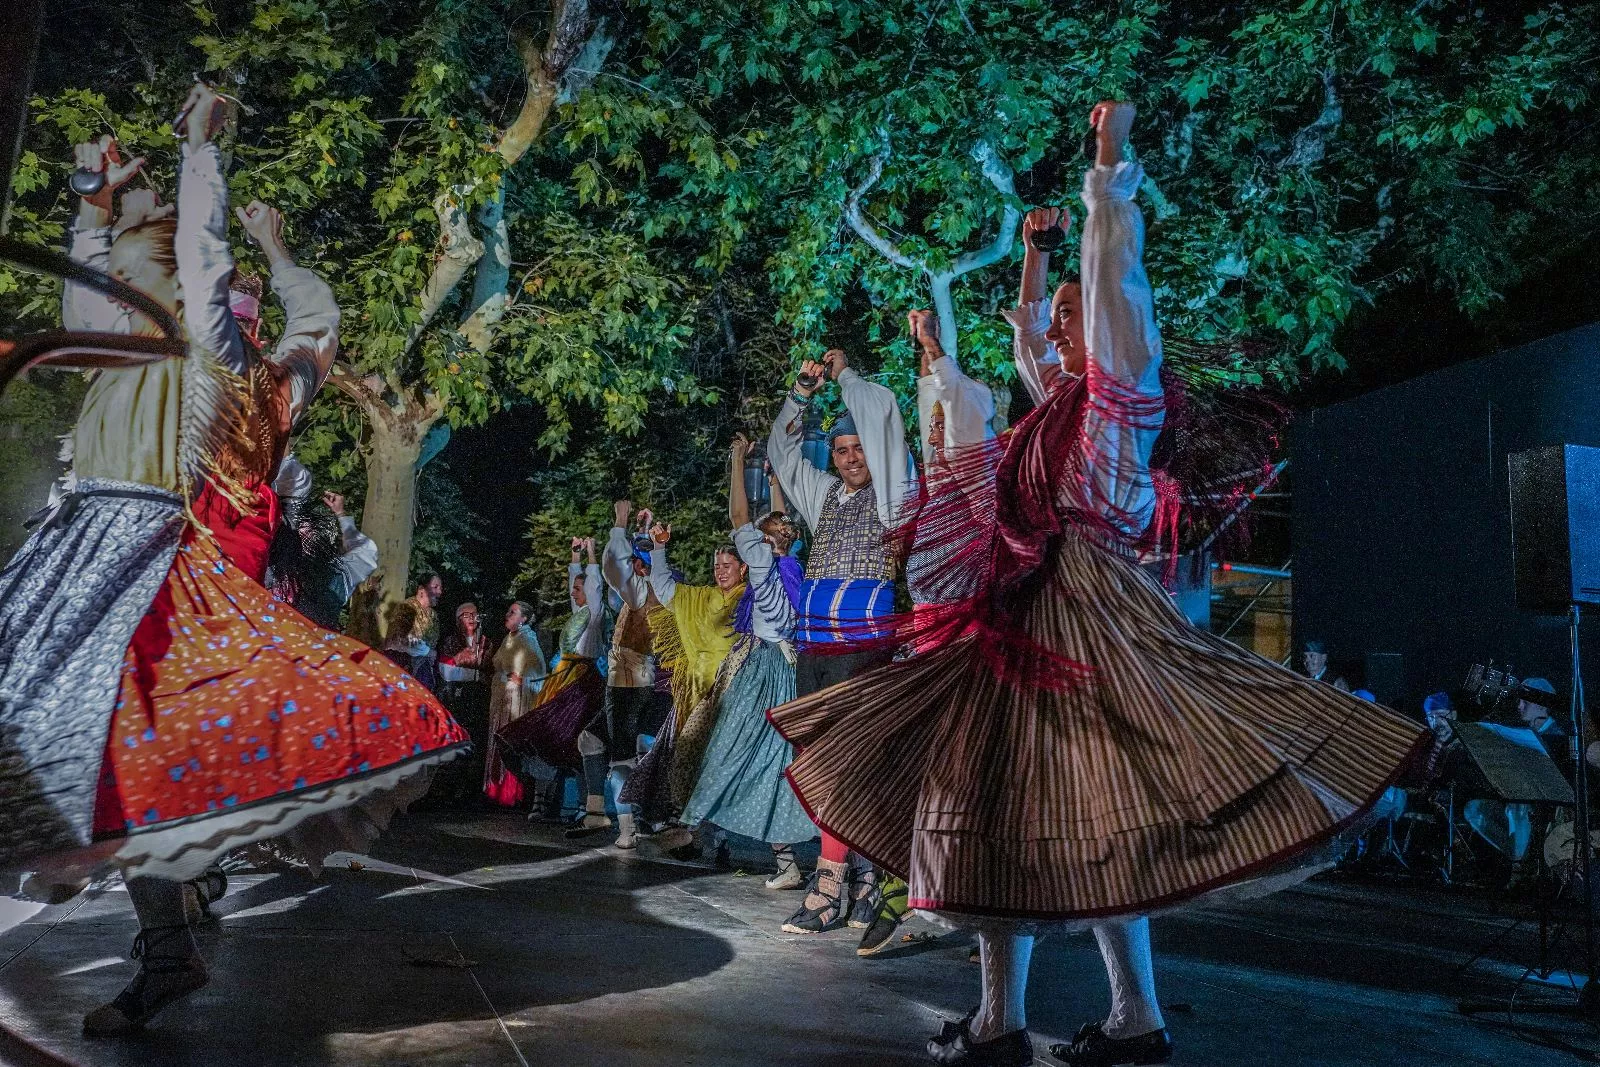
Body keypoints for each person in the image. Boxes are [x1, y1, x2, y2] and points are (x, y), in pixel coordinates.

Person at [768, 101, 1426, 1067]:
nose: (1065, 323)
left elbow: (1113, 272)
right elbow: (1033, 346)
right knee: (1069, 818)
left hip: (1086, 620)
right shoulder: (1063, 401)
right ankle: (1125, 1016)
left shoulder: (1124, 389)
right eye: (1063, 317)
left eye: (1077, 314)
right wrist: (1030, 264)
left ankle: (1026, 1019)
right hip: (1038, 611)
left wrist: (1106, 167)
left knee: (1025, 807)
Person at [0, 82, 468, 1035]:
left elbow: (210, 269)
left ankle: (173, 927)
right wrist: (105, 205)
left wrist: (201, 156)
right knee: (120, 760)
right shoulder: (165, 352)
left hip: (158, 565)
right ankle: (173, 923)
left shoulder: (207, 353)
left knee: (128, 760)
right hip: (117, 553)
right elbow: (316, 324)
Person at [767, 344, 911, 937]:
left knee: (852, 761)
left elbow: (882, 417)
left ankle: (835, 887)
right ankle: (858, 881)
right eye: (842, 450)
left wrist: (843, 374)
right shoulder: (825, 494)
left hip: (864, 645)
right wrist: (801, 394)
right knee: (815, 760)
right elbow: (782, 454)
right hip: (815, 649)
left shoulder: (896, 492)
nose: (852, 457)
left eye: (858, 449)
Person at [670, 432, 815, 886]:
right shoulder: (794, 566)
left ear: (765, 547)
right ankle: (783, 861)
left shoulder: (767, 569)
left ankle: (711, 835)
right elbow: (779, 521)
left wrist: (737, 460)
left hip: (765, 671)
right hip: (790, 667)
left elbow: (739, 516)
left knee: (733, 755)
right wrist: (773, 479)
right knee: (771, 763)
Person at [498, 539, 607, 820]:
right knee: (544, 734)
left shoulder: (595, 615)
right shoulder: (580, 612)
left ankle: (585, 804)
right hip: (565, 678)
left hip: (584, 682)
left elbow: (593, 583)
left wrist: (592, 554)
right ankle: (540, 801)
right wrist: (574, 555)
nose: (574, 592)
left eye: (579, 589)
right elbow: (579, 583)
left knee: (576, 741)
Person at [482, 601, 547, 806]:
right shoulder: (508, 639)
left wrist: (522, 679)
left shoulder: (528, 640)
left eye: (513, 612)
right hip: (502, 698)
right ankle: (495, 789)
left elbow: (537, 672)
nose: (508, 614)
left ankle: (512, 793)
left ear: (524, 619)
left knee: (510, 744)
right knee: (498, 742)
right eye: (508, 611)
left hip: (516, 702)